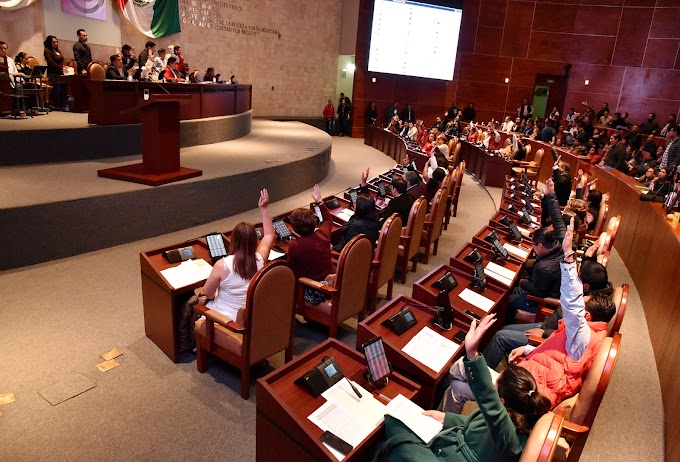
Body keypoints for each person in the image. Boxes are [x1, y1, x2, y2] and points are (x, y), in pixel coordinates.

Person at [441, 218, 615, 413]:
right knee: (456, 386)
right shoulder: (592, 336)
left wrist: (568, 255)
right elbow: (557, 357)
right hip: (529, 377)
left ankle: (441, 400)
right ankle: (445, 412)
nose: (578, 309)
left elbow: (572, 303)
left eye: (583, 307)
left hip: (523, 391)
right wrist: (527, 349)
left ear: (588, 316)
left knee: (459, 369)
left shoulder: (583, 337)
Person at [378, 314, 551, 462]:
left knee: (395, 431)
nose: (492, 384)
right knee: (396, 424)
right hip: (449, 446)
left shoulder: (508, 435)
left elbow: (488, 400)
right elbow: (472, 424)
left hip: (448, 457)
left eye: (495, 385)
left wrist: (473, 354)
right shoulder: (516, 418)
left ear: (502, 401)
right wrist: (445, 418)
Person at [176, 189, 275, 353]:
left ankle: (194, 343)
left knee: (193, 300)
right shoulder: (260, 259)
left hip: (227, 320)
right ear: (254, 241)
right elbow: (270, 234)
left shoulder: (223, 265)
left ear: (233, 240)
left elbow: (207, 294)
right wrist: (264, 209)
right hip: (251, 315)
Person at [484, 259, 612, 368]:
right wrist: (589, 257)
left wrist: (544, 333)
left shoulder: (591, 305)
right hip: (549, 325)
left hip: (549, 335)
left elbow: (571, 337)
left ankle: (478, 377)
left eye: (577, 276)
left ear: (587, 286)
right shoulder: (596, 293)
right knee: (506, 328)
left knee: (501, 336)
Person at [508, 180, 565, 321]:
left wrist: (521, 282)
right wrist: (550, 195)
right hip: (552, 289)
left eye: (533, 245)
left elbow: (538, 291)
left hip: (541, 302)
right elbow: (558, 220)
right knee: (515, 289)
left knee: (508, 300)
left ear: (540, 246)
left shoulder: (544, 268)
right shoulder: (562, 244)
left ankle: (508, 323)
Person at [287, 185, 334, 304]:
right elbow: (328, 220)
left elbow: (291, 270)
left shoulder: (294, 245)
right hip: (331, 282)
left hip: (313, 289)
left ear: (294, 228)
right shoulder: (323, 234)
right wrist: (319, 202)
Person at [43, 35, 68, 110]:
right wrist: (61, 68)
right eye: (54, 42)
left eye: (56, 42)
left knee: (64, 88)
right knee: (57, 88)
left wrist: (65, 66)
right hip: (53, 72)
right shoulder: (47, 50)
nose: (56, 43)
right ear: (49, 42)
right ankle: (57, 104)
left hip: (61, 72)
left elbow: (63, 59)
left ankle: (63, 104)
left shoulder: (58, 51)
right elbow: (50, 62)